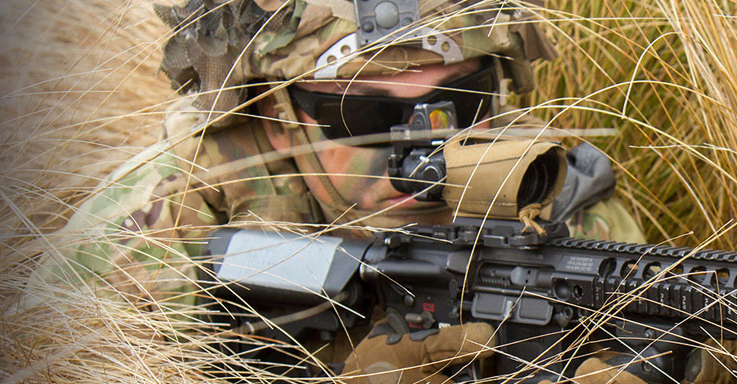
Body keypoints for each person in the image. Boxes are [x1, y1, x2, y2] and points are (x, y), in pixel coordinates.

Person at [35, 0, 673, 382]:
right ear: (273, 109)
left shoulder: (554, 194)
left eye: (457, 103)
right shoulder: (167, 221)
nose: (417, 147)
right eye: (364, 115)